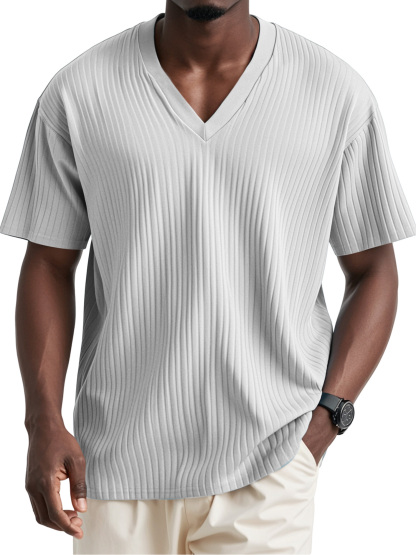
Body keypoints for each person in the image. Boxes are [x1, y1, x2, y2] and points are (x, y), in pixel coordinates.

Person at [1, 1, 415, 553]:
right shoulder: (79, 92)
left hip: (269, 466)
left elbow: (372, 267)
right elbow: (50, 262)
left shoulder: (335, 93)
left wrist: (328, 418)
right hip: (112, 468)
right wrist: (42, 421)